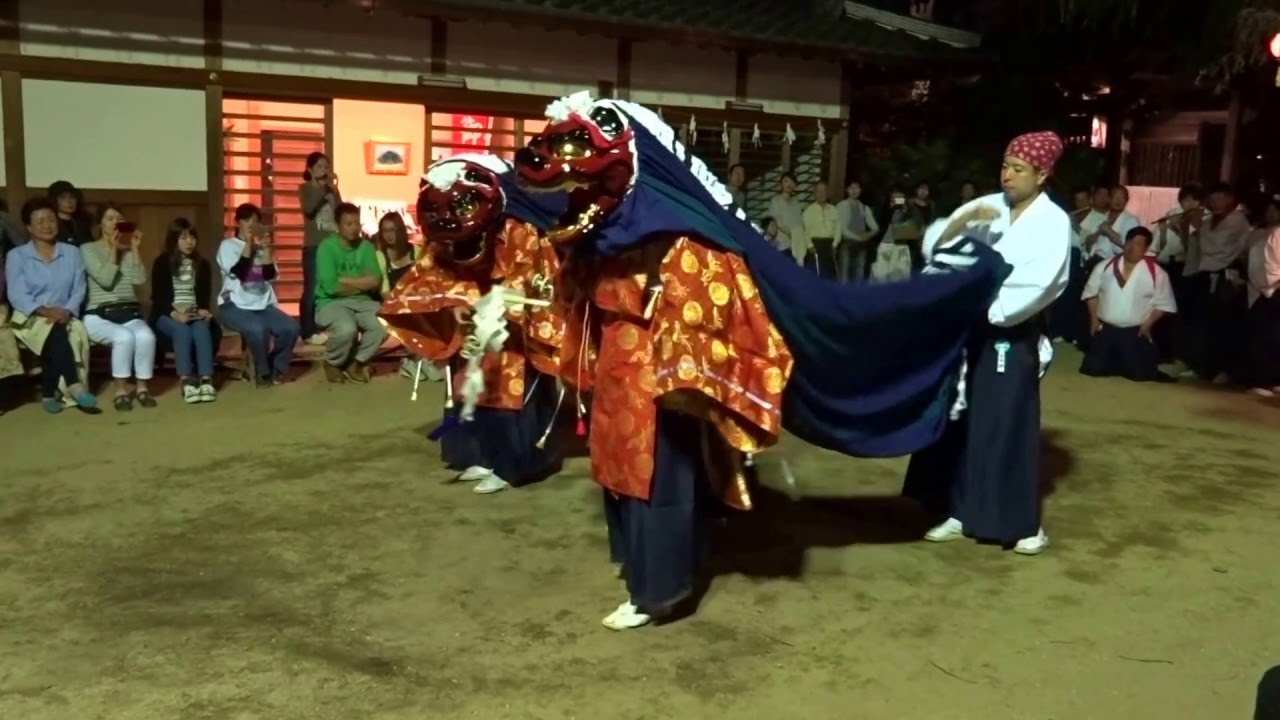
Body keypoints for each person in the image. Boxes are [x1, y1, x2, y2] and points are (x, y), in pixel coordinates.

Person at [903, 130, 1071, 556]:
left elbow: (1042, 282)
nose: (1007, 176)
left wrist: (989, 304)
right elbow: (943, 242)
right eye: (1005, 166)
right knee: (961, 422)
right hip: (966, 331)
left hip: (1010, 336)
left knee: (1006, 425)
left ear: (1043, 174)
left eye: (1018, 169)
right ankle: (958, 509)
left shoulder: (1053, 222)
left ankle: (1020, 523)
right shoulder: (988, 208)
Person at [380, 154, 567, 496]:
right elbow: (432, 277)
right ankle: (482, 455)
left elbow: (530, 278)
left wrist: (495, 306)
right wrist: (451, 304)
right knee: (470, 386)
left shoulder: (519, 230)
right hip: (473, 316)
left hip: (511, 323)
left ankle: (513, 465)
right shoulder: (444, 229)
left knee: (508, 390)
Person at [4, 197, 97, 414]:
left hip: (64, 313)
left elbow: (79, 289)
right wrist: (44, 311)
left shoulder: (72, 252)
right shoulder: (17, 256)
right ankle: (74, 384)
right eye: (41, 221)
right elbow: (17, 294)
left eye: (51, 220)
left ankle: (48, 392)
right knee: (54, 331)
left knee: (57, 331)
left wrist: (65, 311)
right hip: (30, 316)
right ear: (28, 227)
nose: (48, 226)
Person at [81, 205, 157, 410]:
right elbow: (105, 279)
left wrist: (133, 249)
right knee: (123, 337)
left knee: (146, 336)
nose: (115, 222)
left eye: (119, 218)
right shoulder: (88, 249)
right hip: (98, 314)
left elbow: (140, 279)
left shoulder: (126, 250)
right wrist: (113, 249)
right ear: (100, 224)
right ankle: (121, 390)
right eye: (110, 218)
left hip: (127, 312)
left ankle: (142, 388)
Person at [217, 203, 300, 387]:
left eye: (255, 221)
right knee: (257, 329)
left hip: (262, 304)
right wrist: (248, 243)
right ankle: (263, 372)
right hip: (234, 305)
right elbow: (240, 272)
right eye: (246, 220)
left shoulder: (262, 247)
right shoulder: (227, 246)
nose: (250, 225)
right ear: (237, 222)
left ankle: (276, 368)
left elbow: (269, 275)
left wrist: (267, 249)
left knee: (290, 328)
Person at [1079, 226, 1176, 382]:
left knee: (1139, 374)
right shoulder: (1104, 266)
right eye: (1129, 242)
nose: (1131, 247)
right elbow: (1091, 295)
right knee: (1093, 369)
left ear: (1145, 249)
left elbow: (1164, 304)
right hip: (1106, 328)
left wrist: (1147, 325)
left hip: (1135, 330)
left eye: (1138, 244)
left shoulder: (1157, 273)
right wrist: (1094, 320)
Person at [1181, 182, 1251, 383]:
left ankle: (1224, 370)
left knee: (1225, 327)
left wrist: (1197, 227)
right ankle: (1204, 367)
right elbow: (1194, 250)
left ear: (1231, 199)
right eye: (1212, 198)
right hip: (1205, 277)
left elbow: (1218, 247)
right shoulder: (1208, 220)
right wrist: (1188, 228)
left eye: (1221, 197)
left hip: (1226, 279)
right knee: (1205, 325)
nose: (1216, 201)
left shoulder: (1238, 221)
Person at [313, 202, 387, 383]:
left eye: (357, 223)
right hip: (330, 302)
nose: (354, 228)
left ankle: (356, 362)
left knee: (385, 324)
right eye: (349, 224)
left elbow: (375, 281)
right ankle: (332, 362)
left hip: (363, 301)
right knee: (347, 328)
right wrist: (362, 282)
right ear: (338, 226)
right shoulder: (326, 248)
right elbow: (331, 287)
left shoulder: (366, 247)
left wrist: (344, 280)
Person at [151, 217, 219, 404]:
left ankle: (206, 379)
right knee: (182, 329)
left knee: (201, 327)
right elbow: (158, 300)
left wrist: (204, 311)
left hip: (193, 312)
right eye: (183, 238)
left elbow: (204, 297)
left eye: (192, 238)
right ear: (173, 240)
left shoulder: (202, 265)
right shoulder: (162, 263)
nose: (189, 242)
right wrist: (175, 314)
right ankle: (187, 380)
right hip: (167, 314)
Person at [1241, 196, 1280, 396]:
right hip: (1262, 291)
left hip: (1273, 290)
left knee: (1274, 338)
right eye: (1270, 209)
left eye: (1276, 210)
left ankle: (1273, 379)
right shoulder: (1258, 234)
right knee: (1261, 337)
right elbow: (1255, 263)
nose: (1272, 214)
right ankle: (1258, 380)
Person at [299, 152, 339, 347]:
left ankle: (321, 326)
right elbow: (309, 209)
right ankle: (306, 331)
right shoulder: (305, 188)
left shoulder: (330, 191)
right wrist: (323, 190)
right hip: (313, 247)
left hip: (331, 245)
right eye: (320, 166)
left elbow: (340, 212)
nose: (324, 170)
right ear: (310, 169)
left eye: (326, 166)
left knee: (327, 288)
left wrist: (335, 190)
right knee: (311, 289)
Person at [1047, 188, 1093, 345]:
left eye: (1083, 199)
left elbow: (1088, 241)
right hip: (1061, 258)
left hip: (1081, 260)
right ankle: (1059, 330)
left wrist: (1076, 226)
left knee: (1076, 298)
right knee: (1060, 296)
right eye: (1078, 200)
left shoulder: (1098, 218)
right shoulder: (1061, 217)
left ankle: (1074, 333)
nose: (1081, 203)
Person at [836, 179, 879, 282]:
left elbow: (875, 228)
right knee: (844, 276)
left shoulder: (864, 208)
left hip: (861, 246)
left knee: (859, 276)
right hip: (847, 244)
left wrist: (867, 235)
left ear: (861, 190)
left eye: (857, 188)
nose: (855, 190)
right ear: (847, 190)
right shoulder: (842, 205)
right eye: (852, 188)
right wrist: (858, 237)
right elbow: (842, 228)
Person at [800, 180, 840, 278]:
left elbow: (838, 229)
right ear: (815, 194)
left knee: (830, 276)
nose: (822, 194)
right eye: (819, 191)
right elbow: (805, 231)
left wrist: (835, 244)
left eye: (824, 191)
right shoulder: (808, 211)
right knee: (815, 275)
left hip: (830, 245)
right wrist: (809, 245)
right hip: (814, 245)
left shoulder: (834, 210)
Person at [766, 173, 804, 256]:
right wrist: (791, 233)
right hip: (781, 244)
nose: (789, 184)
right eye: (786, 181)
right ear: (781, 185)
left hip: (796, 245)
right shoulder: (775, 201)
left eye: (792, 182)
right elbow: (776, 221)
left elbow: (800, 221)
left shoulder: (797, 202)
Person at [46, 180, 93, 247]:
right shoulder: (50, 224)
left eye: (72, 197)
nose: (69, 201)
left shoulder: (83, 224)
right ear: (54, 200)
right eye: (63, 198)